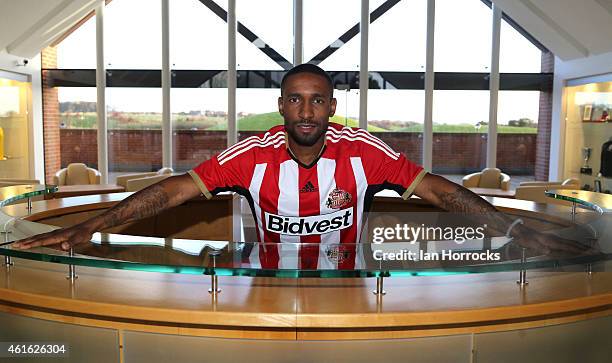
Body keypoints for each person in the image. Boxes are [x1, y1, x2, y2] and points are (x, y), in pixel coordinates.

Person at [13, 64, 587, 265]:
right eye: (296, 99)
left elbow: (438, 190)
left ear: (331, 108)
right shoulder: (251, 154)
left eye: (318, 100)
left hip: (351, 280)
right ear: (281, 106)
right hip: (266, 275)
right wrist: (88, 228)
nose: (306, 110)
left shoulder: (361, 148)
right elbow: (170, 194)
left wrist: (512, 227)